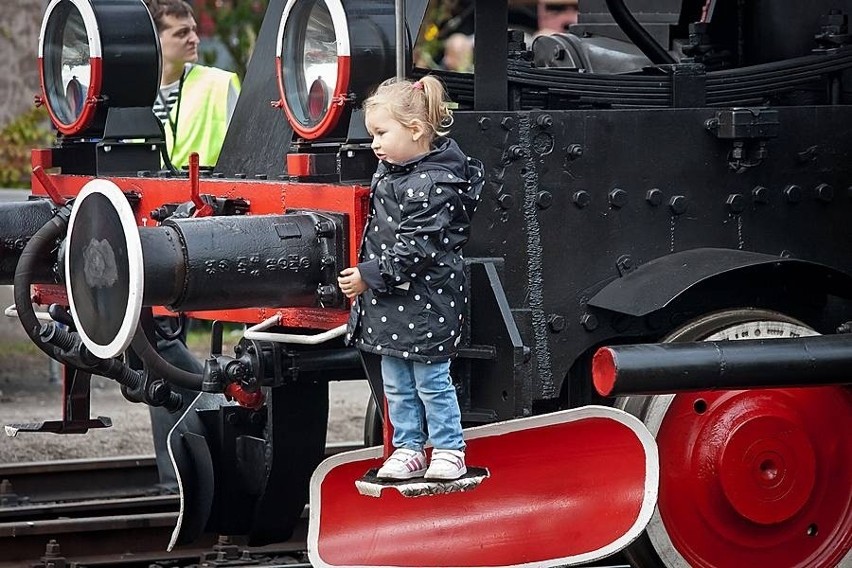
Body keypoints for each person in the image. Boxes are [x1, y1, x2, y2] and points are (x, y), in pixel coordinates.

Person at [337, 76, 485, 481]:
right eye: (373, 134)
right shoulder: (395, 170)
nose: (374, 144)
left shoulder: (432, 183)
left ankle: (449, 448)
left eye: (382, 133)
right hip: (391, 300)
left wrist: (369, 275)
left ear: (416, 130)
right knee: (396, 381)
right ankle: (408, 447)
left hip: (426, 300)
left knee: (432, 378)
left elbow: (418, 246)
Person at [146, 0, 240, 169]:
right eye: (182, 33)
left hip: (207, 194)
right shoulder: (133, 92)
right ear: (153, 37)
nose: (195, 39)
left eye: (193, 30)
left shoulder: (220, 84)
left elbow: (245, 152)